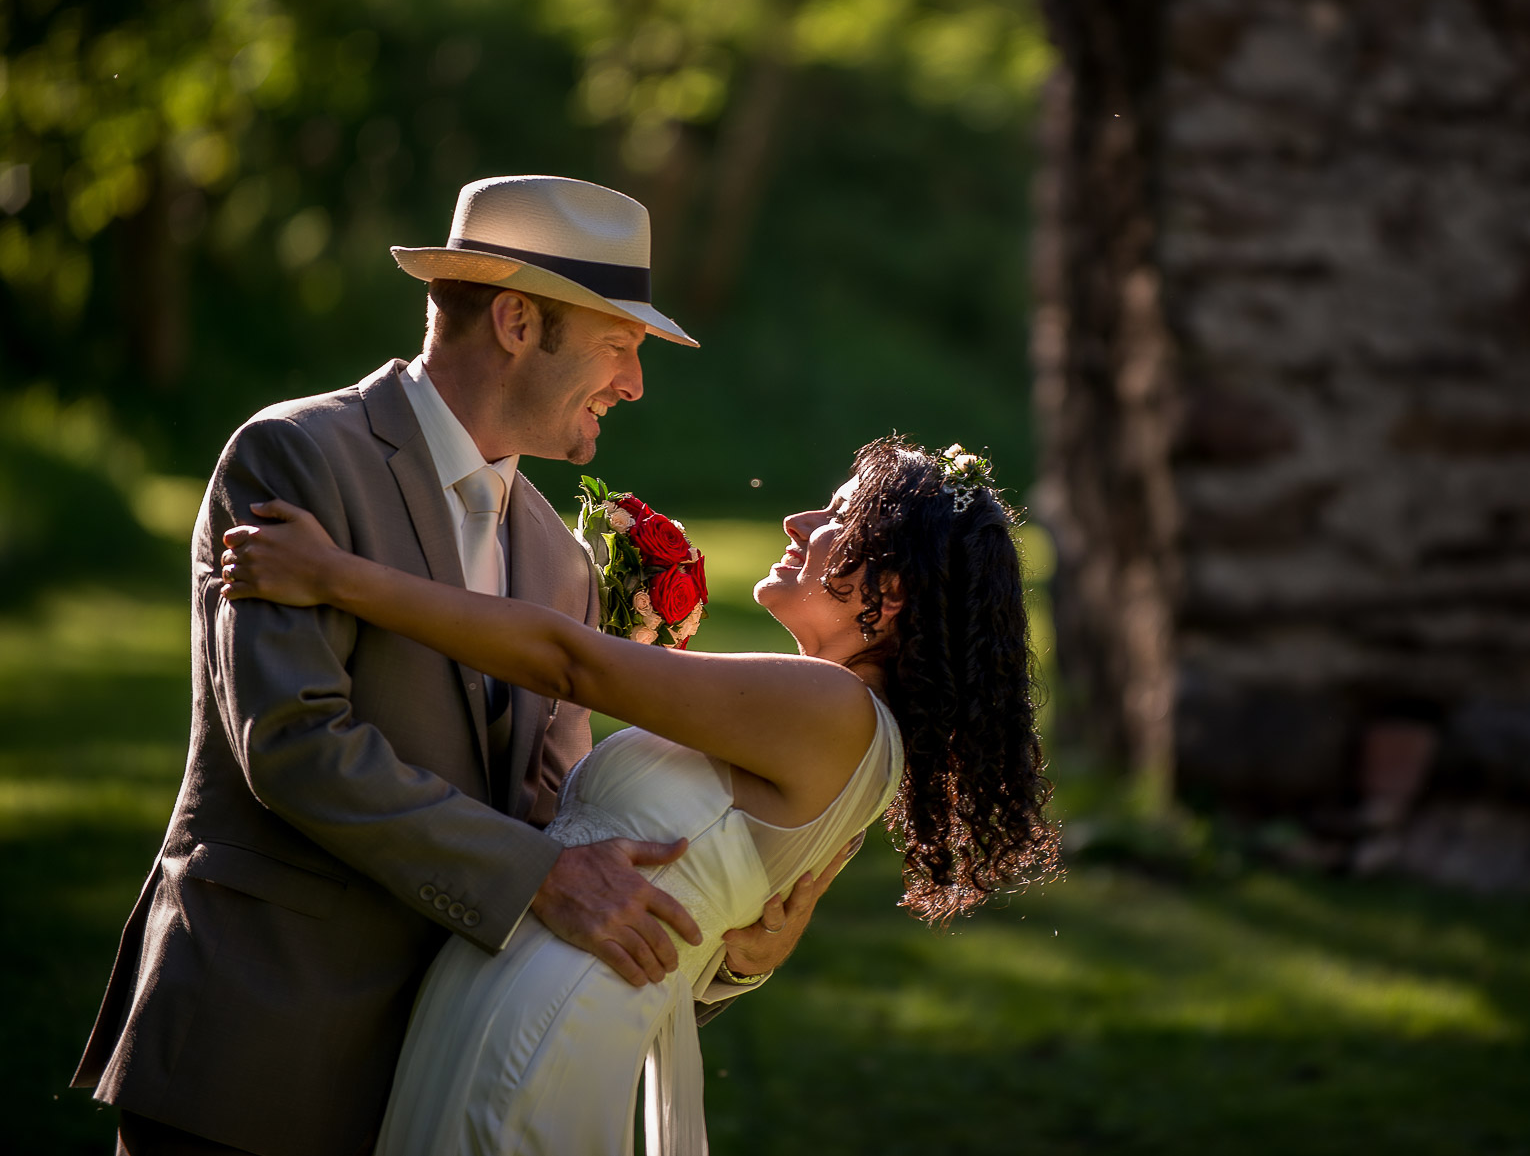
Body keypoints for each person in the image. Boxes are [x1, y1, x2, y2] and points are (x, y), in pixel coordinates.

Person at [72, 175, 824, 1156]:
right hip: (258, 1041)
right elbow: (293, 744)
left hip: (439, 1079)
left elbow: (569, 824)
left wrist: (726, 954)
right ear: (517, 321)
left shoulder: (559, 557)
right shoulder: (297, 458)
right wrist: (542, 879)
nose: (635, 383)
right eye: (620, 344)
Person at [217, 438, 1059, 1155]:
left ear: (896, 585)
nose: (798, 523)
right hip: (522, 983)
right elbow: (723, 913)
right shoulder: (841, 723)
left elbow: (568, 661)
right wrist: (741, 962)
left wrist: (334, 576)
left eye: (838, 516)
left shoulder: (833, 709)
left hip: (548, 1018)